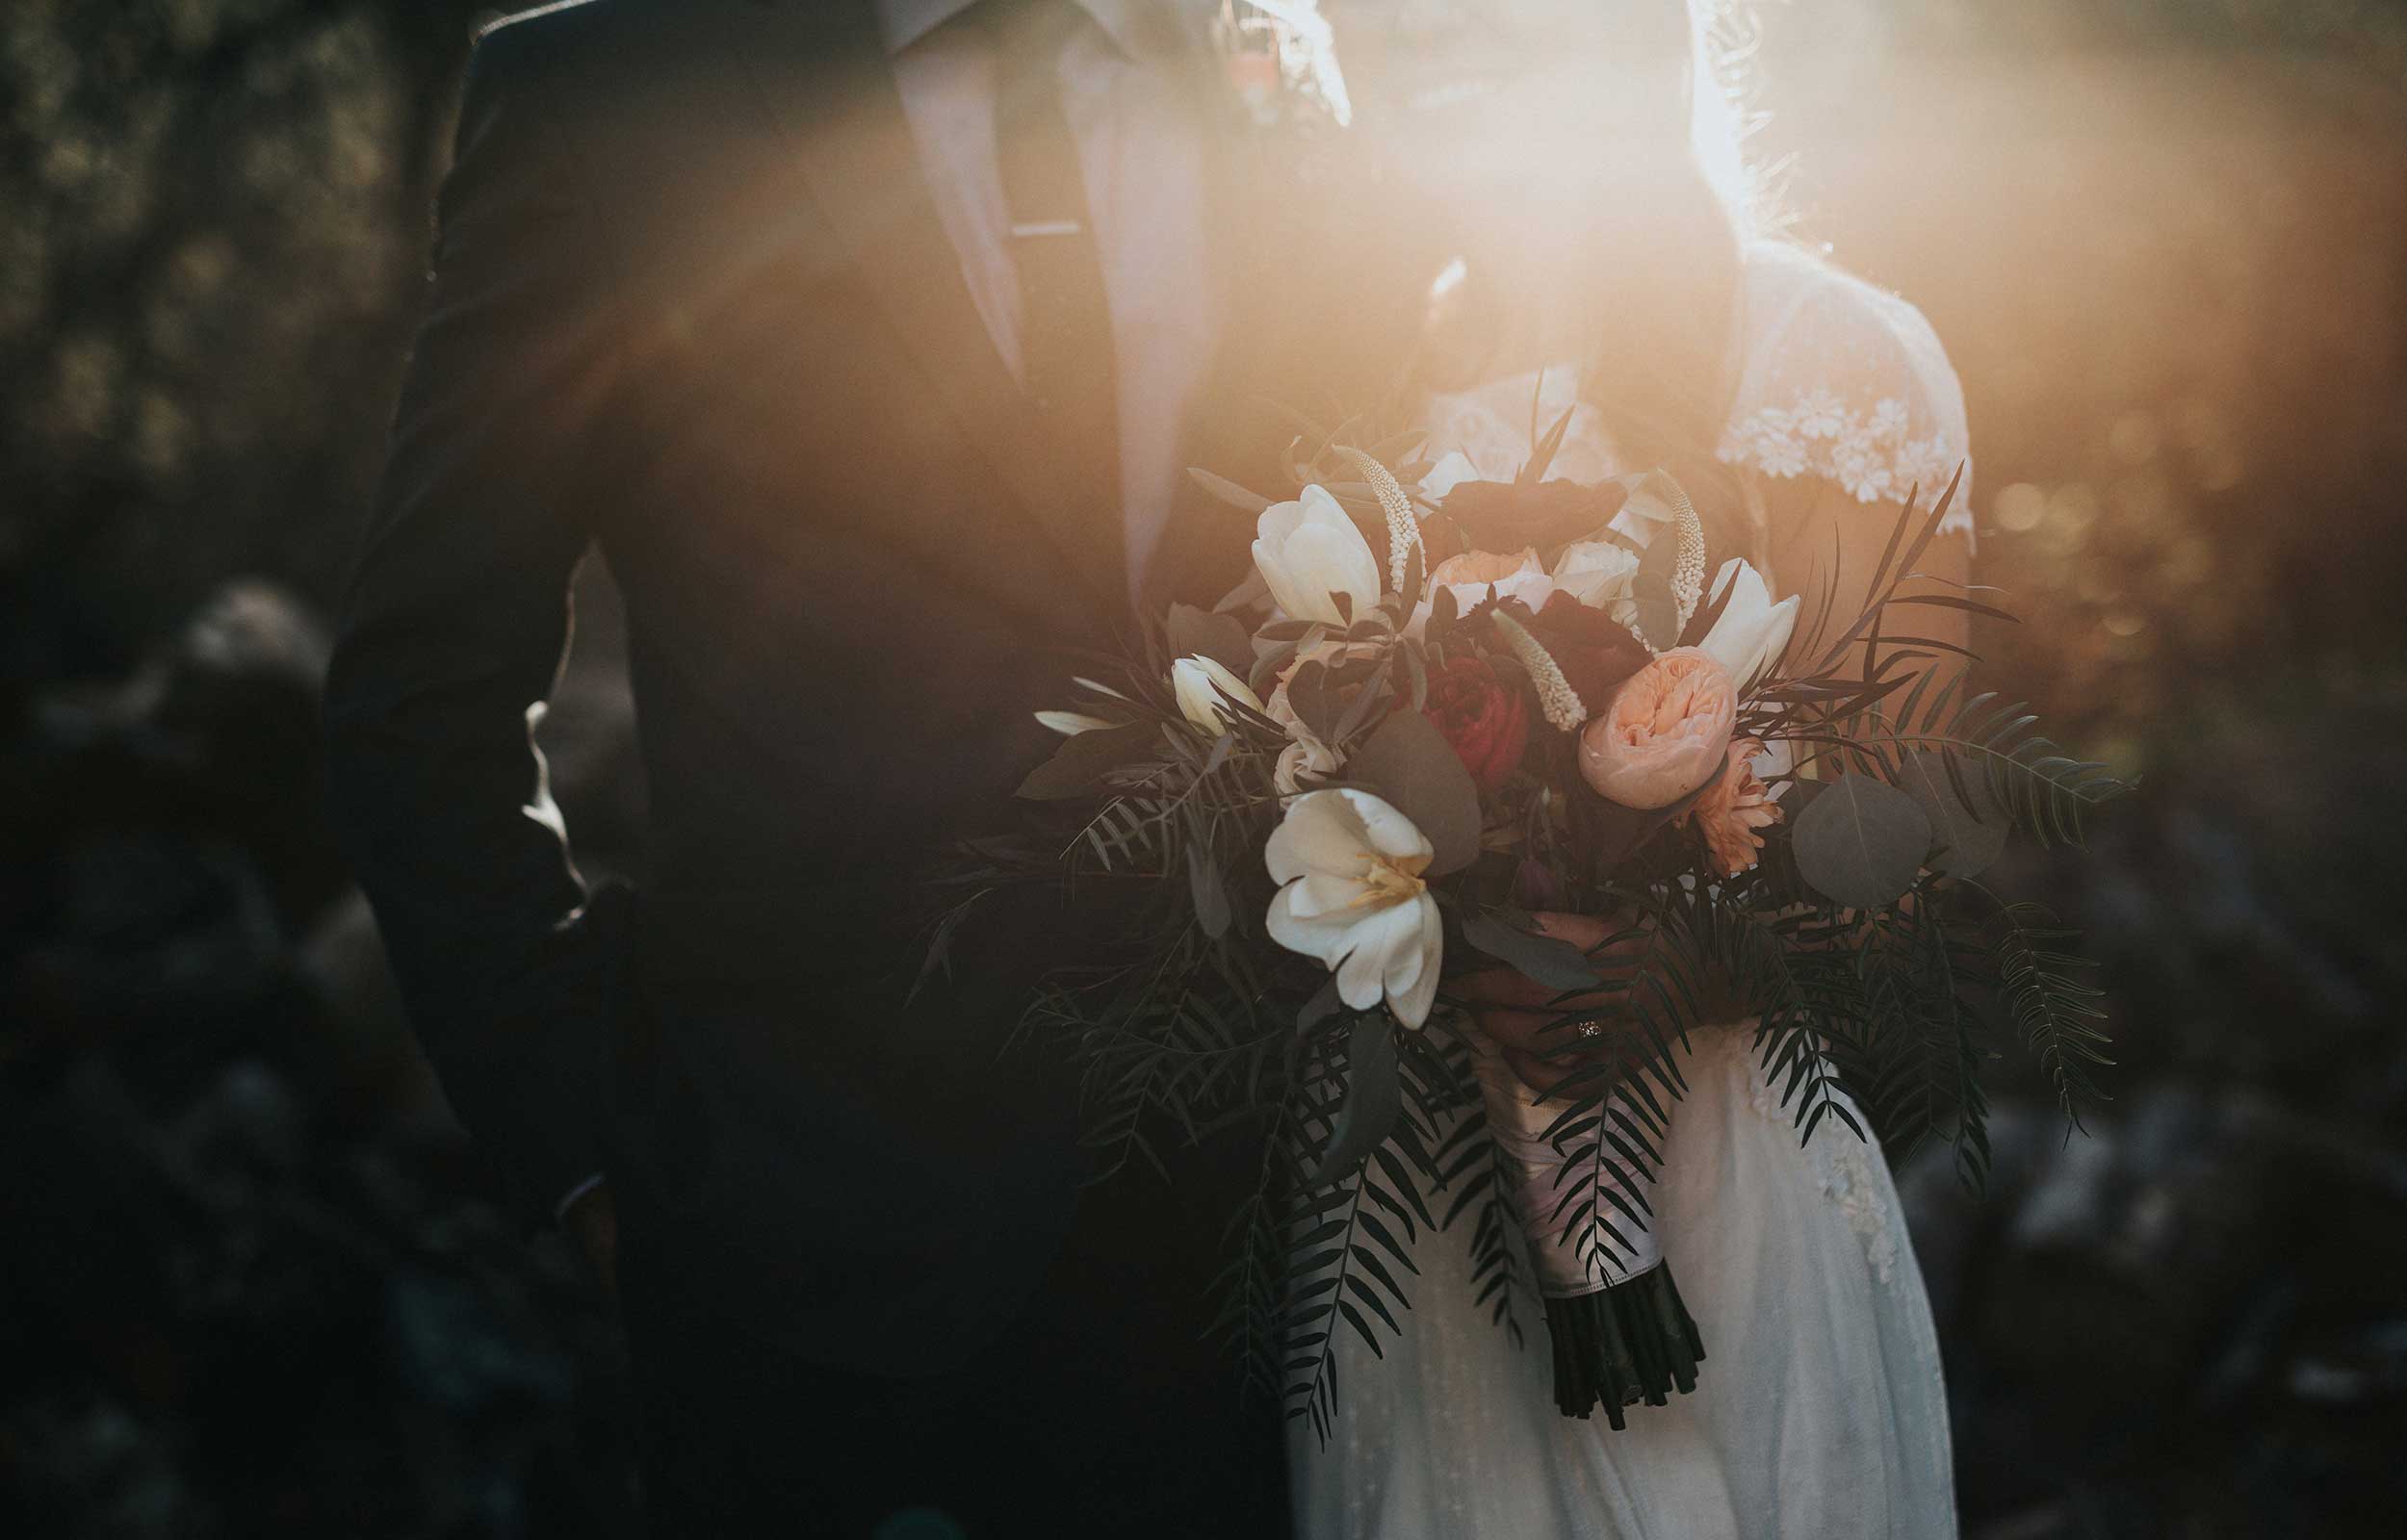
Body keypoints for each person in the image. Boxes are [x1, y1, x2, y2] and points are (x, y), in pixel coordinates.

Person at [323, 0, 1319, 1531]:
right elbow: (423, 680)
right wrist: (588, 1145)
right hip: (793, 1251)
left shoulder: (1273, 66)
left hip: (1252, 1242)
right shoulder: (610, 98)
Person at [1286, 2, 1972, 1535]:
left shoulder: (1821, 354)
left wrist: (1640, 960)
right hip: (1406, 1246)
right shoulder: (1328, 396)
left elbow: (1901, 832)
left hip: (1722, 1193)